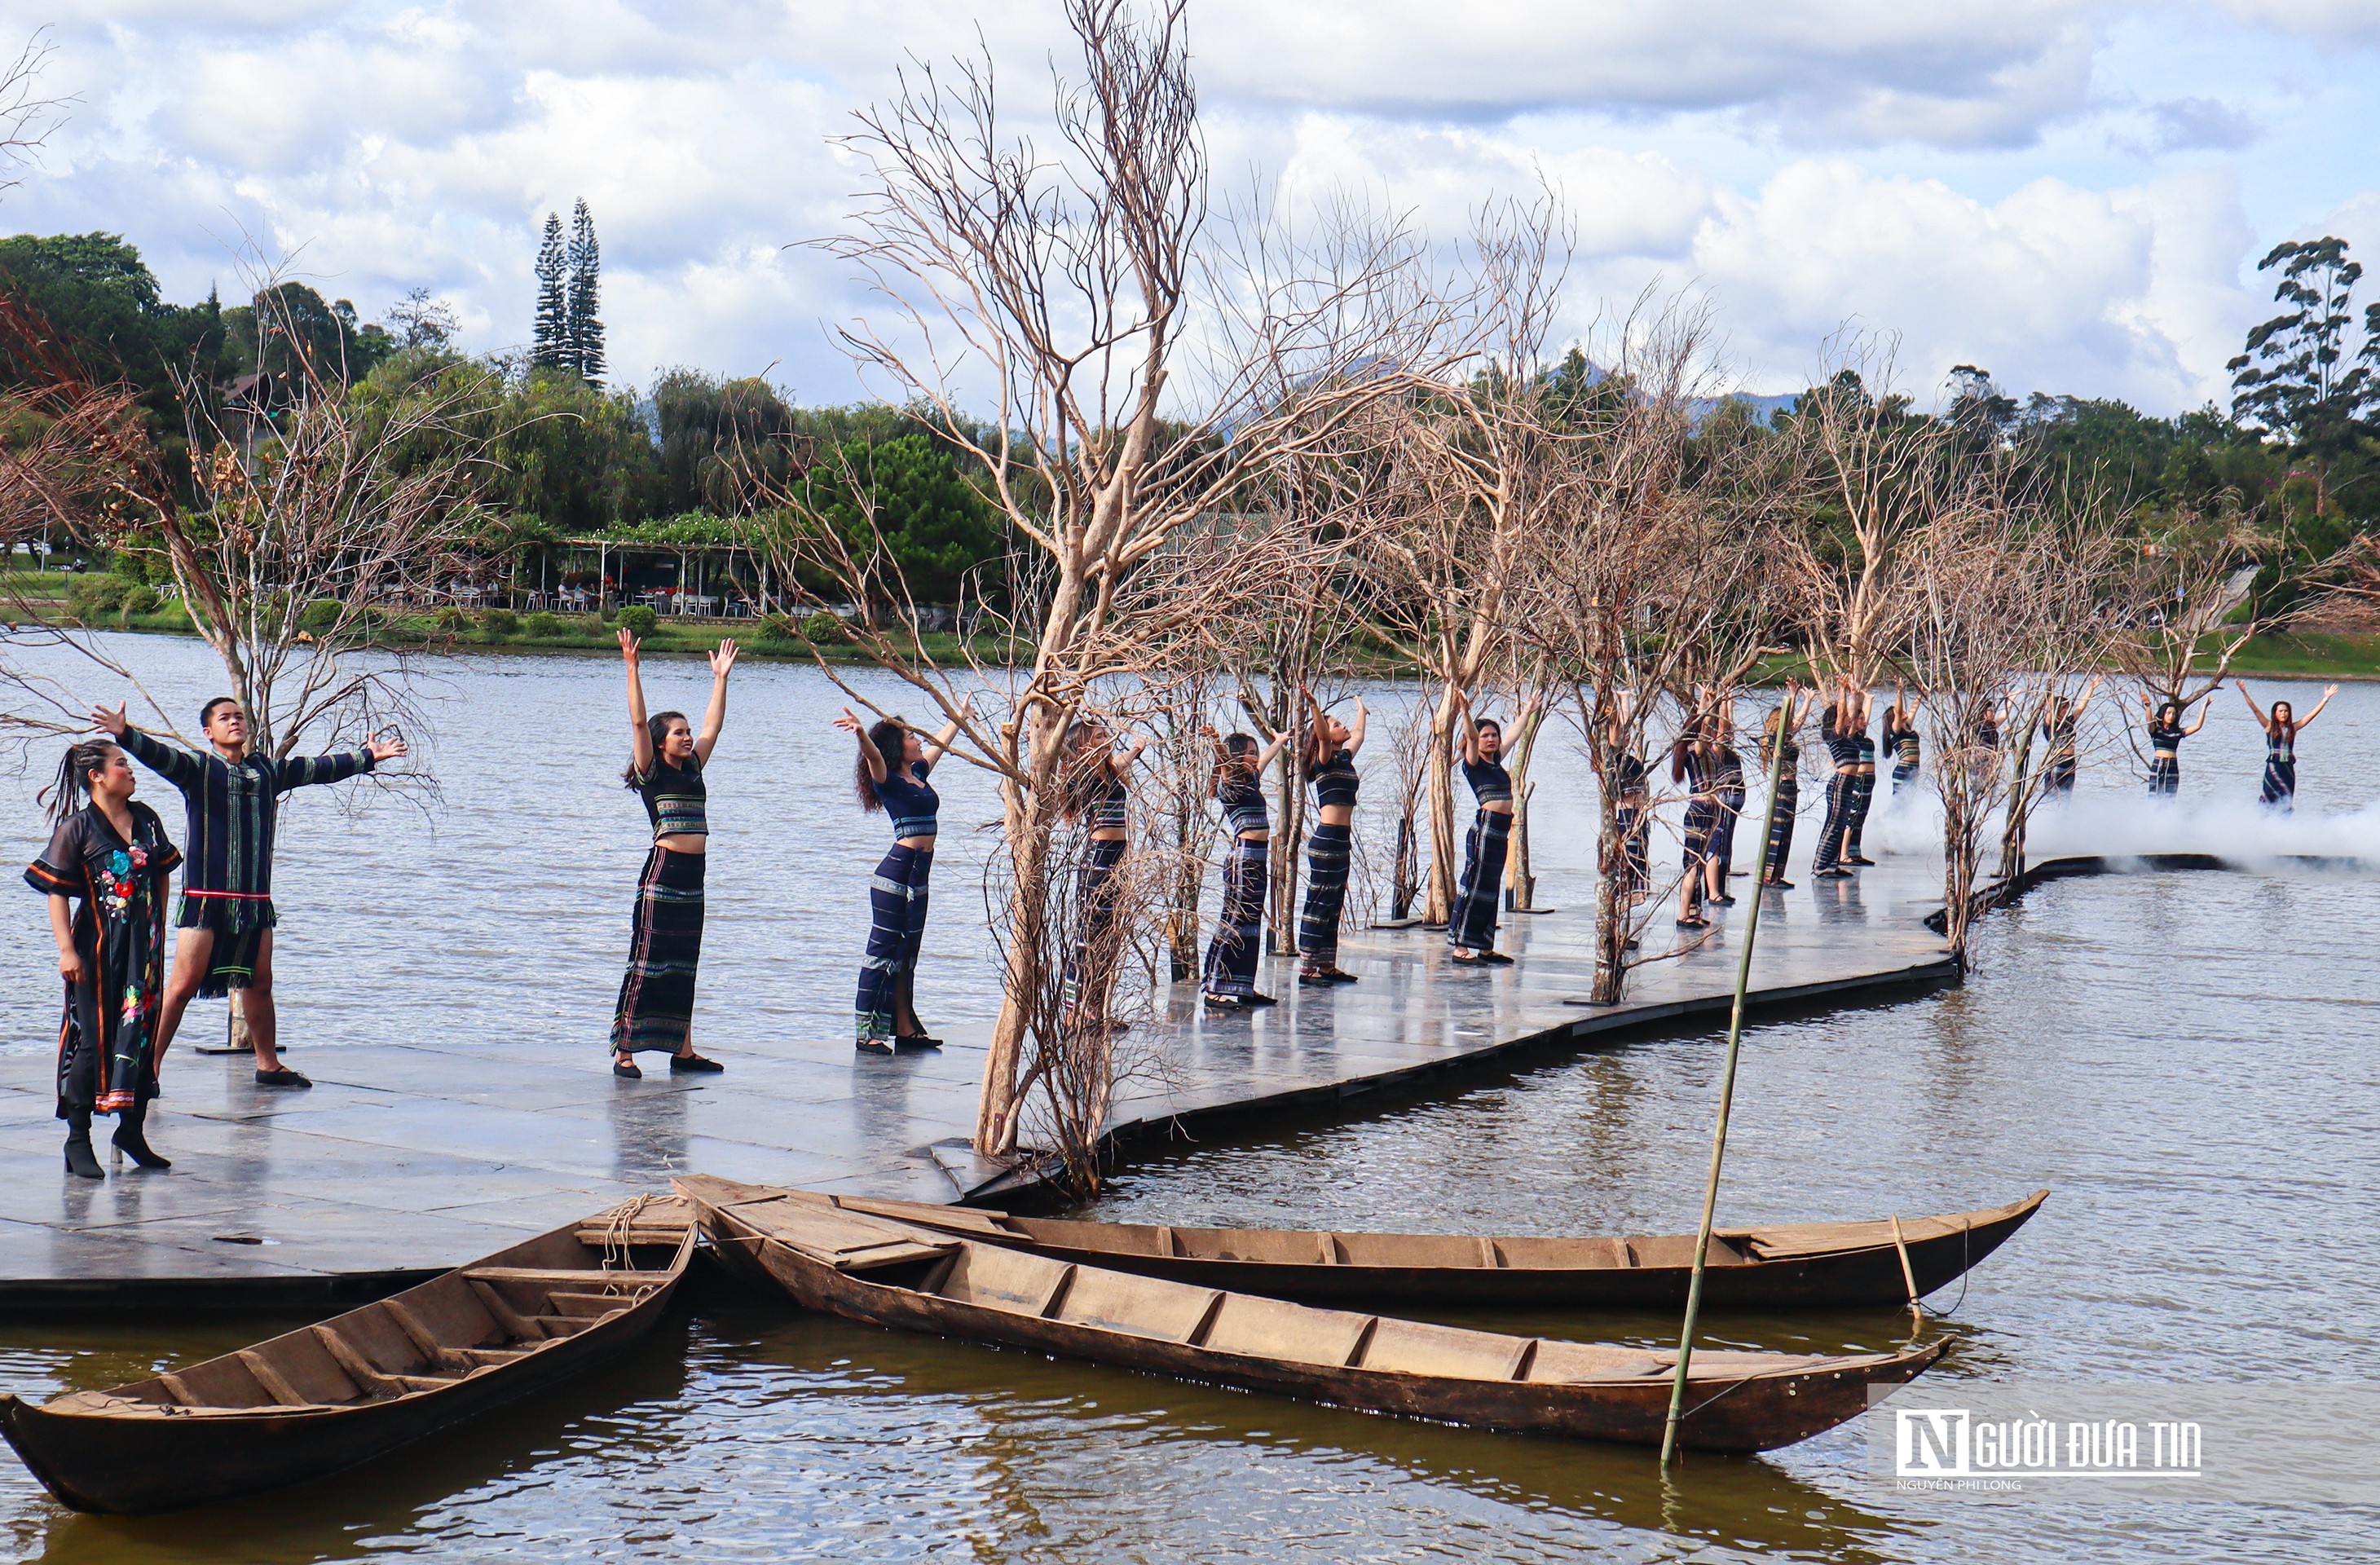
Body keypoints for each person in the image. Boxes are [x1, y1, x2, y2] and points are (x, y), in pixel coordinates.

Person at [95, 699, 403, 1090]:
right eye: (224, 718)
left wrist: (366, 756)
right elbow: (161, 756)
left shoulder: (267, 771)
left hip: (254, 902)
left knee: (259, 982)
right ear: (209, 732)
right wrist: (125, 733)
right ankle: (148, 1069)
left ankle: (268, 1064)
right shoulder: (199, 769)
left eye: (239, 716)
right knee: (182, 986)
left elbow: (316, 769)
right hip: (206, 899)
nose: (234, 722)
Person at [27, 738, 183, 1177]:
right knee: (92, 1041)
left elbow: (163, 873)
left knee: (139, 1038)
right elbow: (57, 893)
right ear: (97, 776)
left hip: (143, 954)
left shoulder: (147, 819)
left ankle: (130, 1130)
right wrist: (65, 949)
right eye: (121, 765)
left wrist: (159, 932)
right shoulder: (78, 828)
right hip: (95, 952)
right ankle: (77, 1141)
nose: (130, 772)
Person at [610, 630, 735, 1078]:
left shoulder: (695, 768)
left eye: (686, 732)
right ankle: (624, 1051)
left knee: (685, 961)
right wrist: (632, 668)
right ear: (662, 742)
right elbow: (640, 723)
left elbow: (713, 727)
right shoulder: (653, 772)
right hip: (662, 876)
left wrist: (720, 678)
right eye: (678, 733)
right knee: (647, 961)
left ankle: (683, 1051)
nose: (687, 738)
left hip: (693, 876)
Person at [840, 696, 971, 1052]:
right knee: (883, 951)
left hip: (919, 874)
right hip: (895, 873)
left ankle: (904, 1027)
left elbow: (940, 745)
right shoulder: (887, 779)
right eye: (912, 736)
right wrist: (860, 735)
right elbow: (873, 757)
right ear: (898, 746)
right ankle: (866, 1031)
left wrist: (958, 717)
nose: (919, 740)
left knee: (907, 950)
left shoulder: (918, 774)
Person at [1062, 716, 1148, 1025]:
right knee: (1089, 933)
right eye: (1099, 737)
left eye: (1106, 735)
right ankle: (1074, 1010)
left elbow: (1121, 761)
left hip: (1118, 857)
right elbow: (1066, 753)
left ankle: (1095, 1009)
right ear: (1085, 744)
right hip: (1098, 858)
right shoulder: (1083, 772)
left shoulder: (1108, 771)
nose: (1107, 739)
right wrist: (1050, 739)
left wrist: (1137, 750)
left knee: (1107, 935)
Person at [1201, 722, 1289, 1009]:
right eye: (1249, 753)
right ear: (1236, 757)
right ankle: (1214, 989)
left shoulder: (1251, 780)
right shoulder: (1230, 784)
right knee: (1235, 922)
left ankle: (1243, 987)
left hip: (1258, 857)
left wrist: (1280, 740)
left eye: (1255, 752)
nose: (1254, 757)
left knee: (1251, 925)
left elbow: (1266, 758)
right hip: (1243, 857)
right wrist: (1216, 742)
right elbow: (1224, 762)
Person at [1448, 690, 1538, 965]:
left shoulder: (1496, 760)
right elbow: (1472, 737)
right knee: (1474, 886)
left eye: (1493, 735)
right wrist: (1465, 712)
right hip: (1485, 830)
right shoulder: (1472, 762)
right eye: (1486, 735)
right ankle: (1460, 948)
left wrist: (1528, 710)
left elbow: (1514, 733)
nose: (1491, 739)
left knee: (1491, 889)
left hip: (1502, 829)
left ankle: (1485, 947)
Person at [1297, 693, 1368, 986]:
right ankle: (1307, 967)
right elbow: (1324, 738)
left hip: (1341, 839)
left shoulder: (1344, 757)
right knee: (1320, 900)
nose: (1343, 727)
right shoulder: (1323, 759)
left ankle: (1327, 965)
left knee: (1334, 901)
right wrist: (1315, 708)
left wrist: (1362, 710)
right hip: (1326, 840)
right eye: (1337, 724)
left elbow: (1360, 734)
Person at [2236, 681, 2338, 812]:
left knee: (2286, 797)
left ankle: (2283, 823)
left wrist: (2326, 698)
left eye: (2286, 711)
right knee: (2269, 795)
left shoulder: (2293, 728)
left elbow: (2311, 715)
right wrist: (2244, 692)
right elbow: (2255, 709)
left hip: (2287, 769)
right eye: (2281, 711)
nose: (2284, 713)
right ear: (2275, 713)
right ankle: (2262, 821)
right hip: (2274, 767)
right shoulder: (2269, 726)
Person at [1809, 677, 1871, 877]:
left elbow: (1851, 714)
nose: (1847, 719)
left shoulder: (1847, 735)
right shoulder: (1833, 734)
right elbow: (1842, 711)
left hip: (1849, 783)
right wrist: (1842, 690)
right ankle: (1820, 867)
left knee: (1842, 823)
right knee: (1834, 824)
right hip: (1840, 783)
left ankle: (1832, 865)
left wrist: (1854, 693)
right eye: (1842, 717)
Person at [1759, 682, 1814, 889]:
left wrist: (1807, 701)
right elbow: (1791, 721)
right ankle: (1768, 876)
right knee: (1778, 832)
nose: (1790, 723)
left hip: (1792, 788)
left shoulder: (1786, 738)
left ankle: (1777, 875)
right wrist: (1791, 696)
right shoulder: (1775, 739)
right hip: (1781, 790)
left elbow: (1797, 722)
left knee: (1787, 834)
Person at [1671, 715, 1721, 931]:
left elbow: (1721, 731)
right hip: (1698, 810)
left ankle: (1694, 912)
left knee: (1699, 865)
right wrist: (1705, 708)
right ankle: (1683, 915)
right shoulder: (1694, 750)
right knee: (1691, 865)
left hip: (1710, 811)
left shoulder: (1710, 752)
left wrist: (1722, 701)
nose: (1710, 732)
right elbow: (1703, 734)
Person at [1705, 695, 1747, 903]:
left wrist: (1728, 706)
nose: (1728, 736)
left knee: (1725, 846)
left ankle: (1719, 888)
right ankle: (1713, 892)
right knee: (1718, 845)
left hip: (1733, 805)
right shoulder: (1715, 751)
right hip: (1723, 803)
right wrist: (1723, 705)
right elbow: (1723, 730)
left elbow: (1728, 730)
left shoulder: (1727, 750)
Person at [2038, 677, 2100, 796]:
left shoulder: (2068, 722)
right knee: (2052, 796)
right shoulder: (2051, 725)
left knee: (2066, 797)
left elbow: (2081, 707)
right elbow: (2049, 712)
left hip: (2070, 764)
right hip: (2057, 762)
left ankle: (2064, 815)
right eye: (2064, 708)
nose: (2066, 710)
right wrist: (2051, 689)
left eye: (2067, 707)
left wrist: (2091, 688)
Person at [2140, 692, 2207, 796]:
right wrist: (2148, 705)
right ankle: (2152, 812)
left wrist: (2204, 707)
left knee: (2170, 795)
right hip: (2159, 765)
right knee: (2155, 793)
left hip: (2172, 765)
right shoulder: (2156, 730)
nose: (2171, 716)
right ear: (2163, 714)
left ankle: (2169, 813)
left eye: (2174, 714)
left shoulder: (2178, 732)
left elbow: (2197, 726)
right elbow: (2149, 721)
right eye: (2169, 713)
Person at [1882, 686, 1922, 794]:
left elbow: (1915, 707)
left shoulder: (1907, 726)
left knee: (1910, 802)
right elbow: (1899, 712)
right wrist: (1899, 692)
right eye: (1899, 711)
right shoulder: (1895, 730)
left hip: (1914, 770)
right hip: (1903, 770)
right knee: (1899, 802)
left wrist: (1920, 692)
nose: (1904, 711)